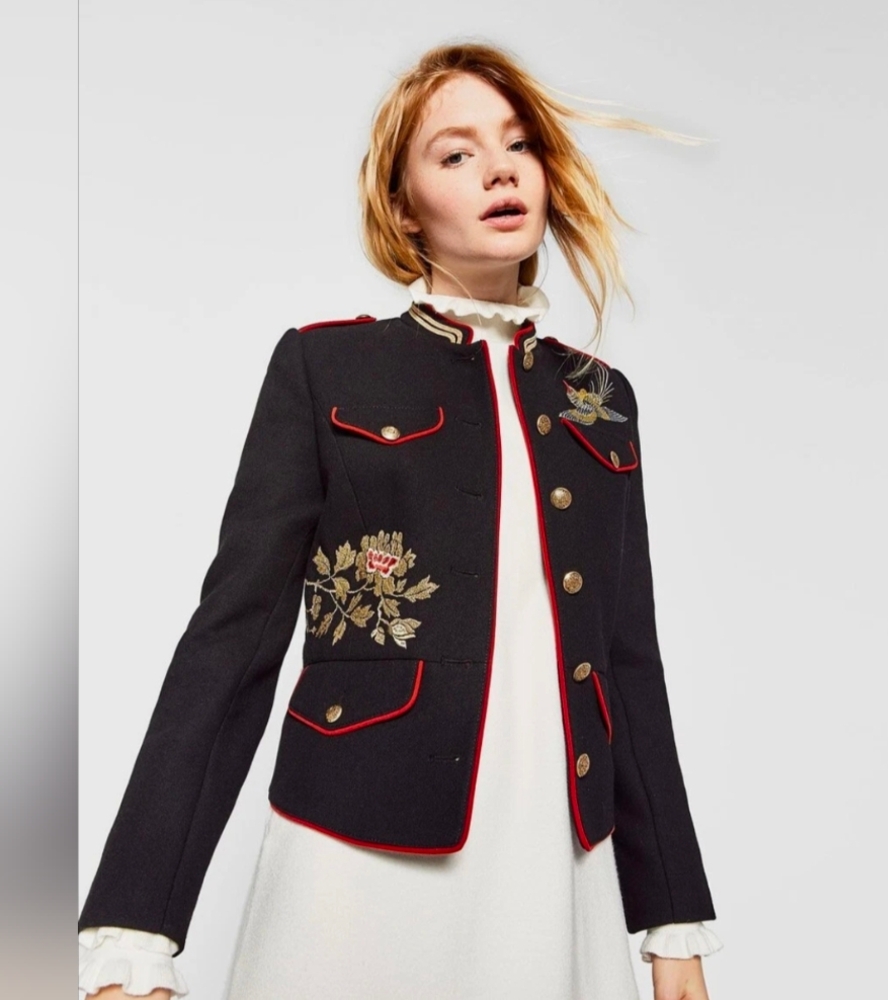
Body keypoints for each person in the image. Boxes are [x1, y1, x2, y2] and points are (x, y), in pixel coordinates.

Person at [78, 41, 722, 1000]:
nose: (499, 170)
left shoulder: (600, 401)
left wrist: (673, 926)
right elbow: (232, 641)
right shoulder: (326, 369)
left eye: (518, 145)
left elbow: (628, 662)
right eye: (456, 153)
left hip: (556, 858)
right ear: (403, 206)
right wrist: (134, 934)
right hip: (353, 856)